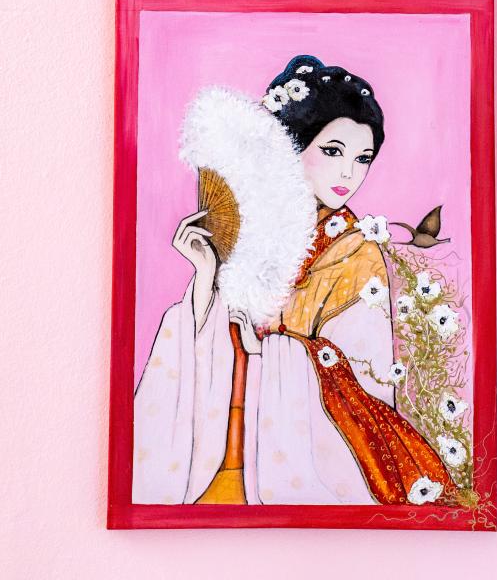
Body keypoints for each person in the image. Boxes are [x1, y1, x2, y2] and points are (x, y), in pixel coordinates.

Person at [133, 55, 455, 506]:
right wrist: (206, 278)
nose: (349, 174)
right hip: (223, 455)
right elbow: (203, 348)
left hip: (297, 465)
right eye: (332, 151)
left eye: (362, 159)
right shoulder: (250, 232)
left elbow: (369, 386)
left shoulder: (356, 252)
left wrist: (271, 349)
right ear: (289, 145)